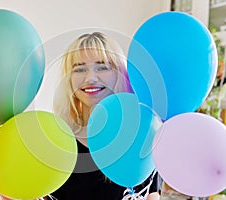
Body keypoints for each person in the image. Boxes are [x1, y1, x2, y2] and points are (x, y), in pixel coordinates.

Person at [50, 32, 161, 200]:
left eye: (102, 67)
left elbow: (152, 195)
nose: (90, 78)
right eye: (79, 69)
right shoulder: (56, 140)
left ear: (119, 72)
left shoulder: (142, 134)